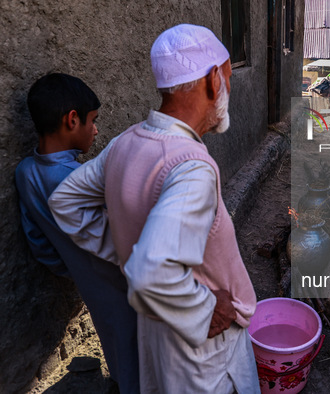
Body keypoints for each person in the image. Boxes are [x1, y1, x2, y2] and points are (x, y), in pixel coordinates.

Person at [49, 25, 259, 393]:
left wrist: (123, 249)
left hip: (157, 330)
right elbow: (152, 273)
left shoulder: (125, 143)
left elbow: (65, 202)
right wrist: (204, 309)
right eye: (228, 75)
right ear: (213, 80)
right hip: (204, 351)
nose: (229, 86)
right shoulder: (190, 167)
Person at [15, 73, 139, 393]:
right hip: (129, 288)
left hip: (93, 290)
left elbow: (39, 245)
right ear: (72, 120)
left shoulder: (25, 173)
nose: (96, 130)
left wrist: (77, 268)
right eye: (93, 121)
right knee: (144, 360)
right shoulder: (82, 182)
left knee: (120, 357)